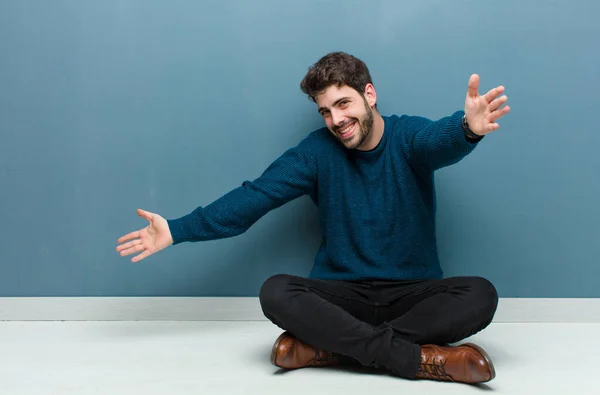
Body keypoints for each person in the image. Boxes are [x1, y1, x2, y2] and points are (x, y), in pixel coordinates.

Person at [116, 52, 510, 384]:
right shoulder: (317, 152)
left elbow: (439, 141)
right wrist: (177, 229)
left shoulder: (408, 137)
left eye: (343, 104)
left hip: (412, 295)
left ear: (369, 95)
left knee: (480, 295)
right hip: (343, 296)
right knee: (276, 291)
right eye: (325, 111)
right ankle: (418, 360)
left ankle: (329, 349)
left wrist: (466, 131)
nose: (336, 120)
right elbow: (256, 196)